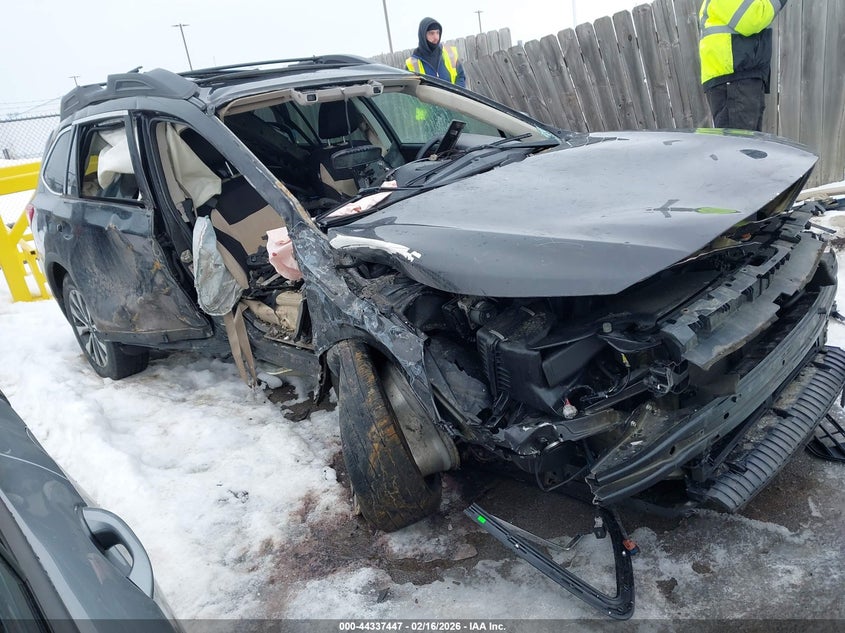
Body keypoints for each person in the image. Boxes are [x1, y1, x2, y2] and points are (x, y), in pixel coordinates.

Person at [698, 0, 788, 131]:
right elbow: (753, 18)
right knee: (740, 147)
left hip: (739, 77)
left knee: (747, 146)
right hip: (733, 78)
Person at [405, 18, 466, 88]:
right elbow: (411, 90)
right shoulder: (412, 63)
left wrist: (457, 94)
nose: (436, 37)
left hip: (452, 98)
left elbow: (460, 76)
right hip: (429, 99)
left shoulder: (449, 53)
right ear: (423, 35)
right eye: (431, 33)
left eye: (438, 33)